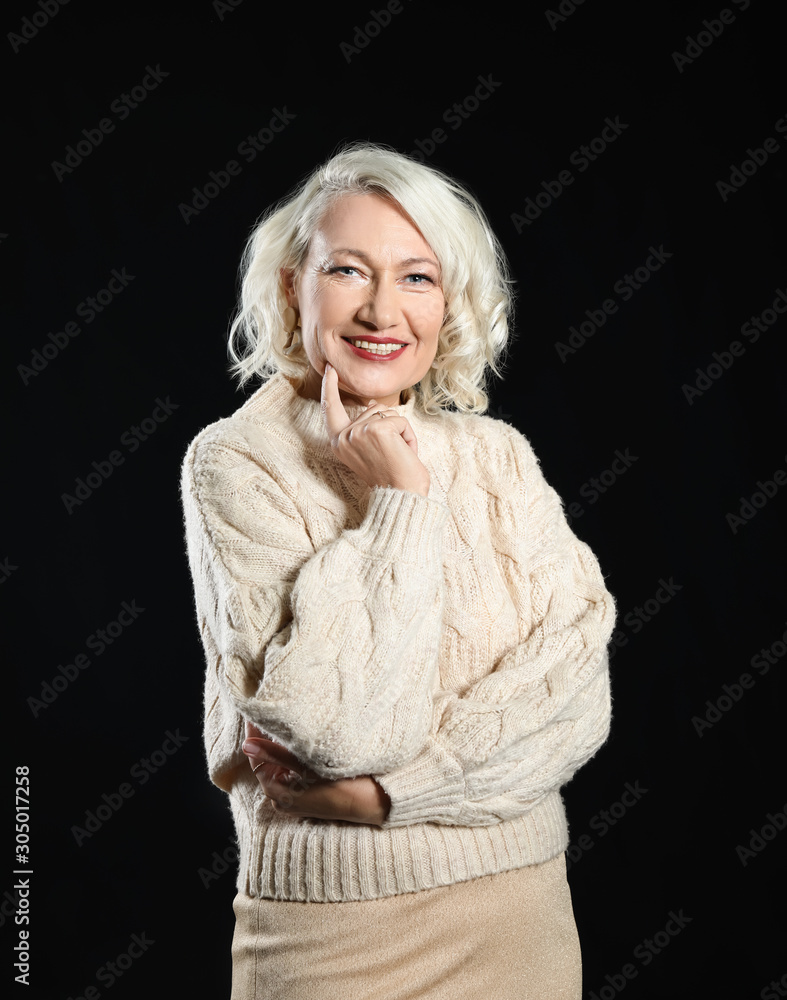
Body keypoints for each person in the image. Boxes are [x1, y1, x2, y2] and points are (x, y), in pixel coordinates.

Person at [180, 142, 616, 999]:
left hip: (520, 920)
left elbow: (576, 699)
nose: (382, 311)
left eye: (415, 277)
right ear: (289, 287)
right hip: (335, 939)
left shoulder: (496, 458)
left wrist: (392, 798)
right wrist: (401, 501)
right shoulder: (237, 462)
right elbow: (336, 729)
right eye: (348, 269)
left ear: (448, 302)